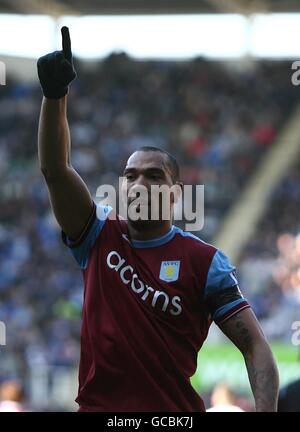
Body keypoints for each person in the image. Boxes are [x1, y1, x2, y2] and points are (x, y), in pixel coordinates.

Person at [37, 27, 279, 412]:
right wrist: (55, 97)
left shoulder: (204, 262)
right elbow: (55, 168)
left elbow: (255, 346)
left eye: (153, 176)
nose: (138, 184)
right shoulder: (96, 234)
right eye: (130, 175)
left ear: (176, 193)